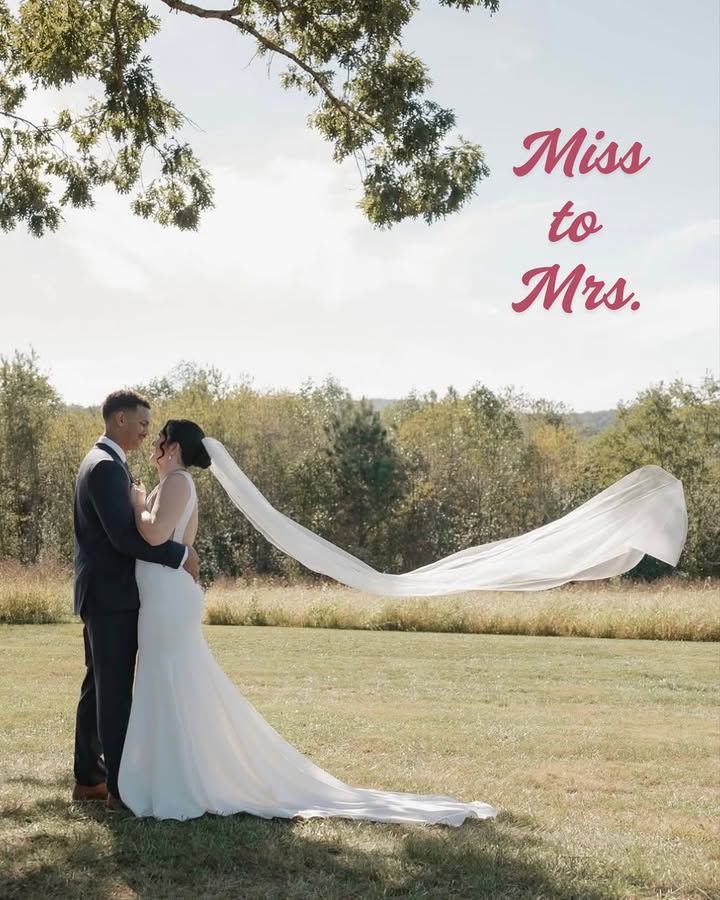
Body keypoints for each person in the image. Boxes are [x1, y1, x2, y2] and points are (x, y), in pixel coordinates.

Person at [117, 419, 499, 824]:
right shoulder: (170, 482)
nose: (153, 443)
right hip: (161, 599)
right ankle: (173, 775)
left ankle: (178, 783)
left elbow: (155, 535)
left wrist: (136, 501)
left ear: (174, 447)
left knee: (172, 680)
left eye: (160, 438)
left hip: (169, 602)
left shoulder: (177, 483)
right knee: (171, 683)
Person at [72, 392, 200, 811]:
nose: (147, 432)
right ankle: (118, 789)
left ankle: (89, 778)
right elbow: (124, 538)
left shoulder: (104, 462)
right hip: (112, 596)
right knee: (113, 692)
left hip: (103, 594)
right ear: (121, 419)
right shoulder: (106, 466)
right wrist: (180, 555)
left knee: (98, 686)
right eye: (143, 423)